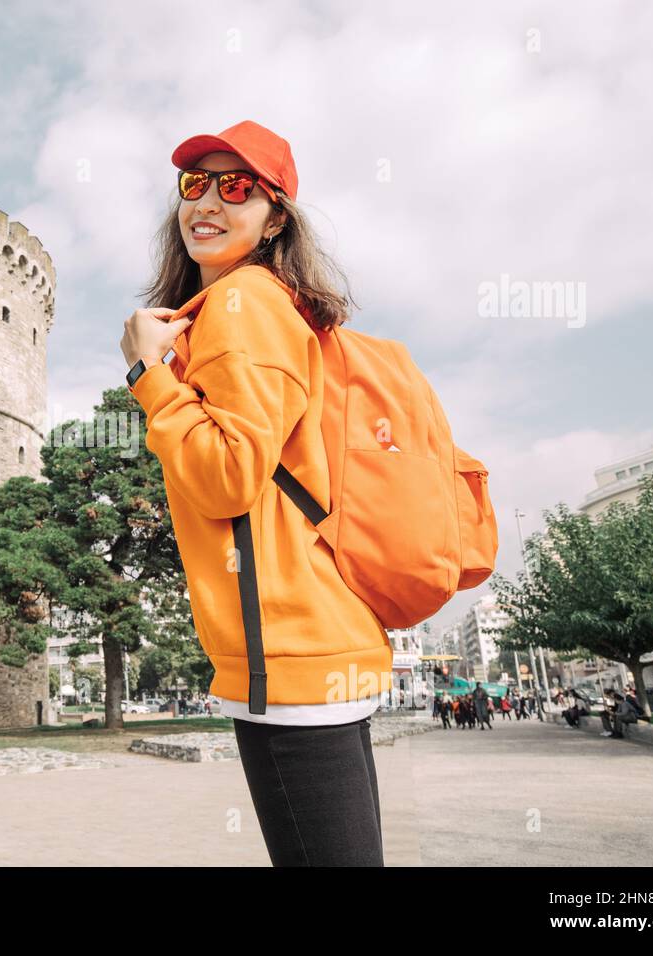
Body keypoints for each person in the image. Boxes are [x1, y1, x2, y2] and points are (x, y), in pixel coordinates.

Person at [121, 120, 385, 866]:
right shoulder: (245, 307)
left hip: (290, 653)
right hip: (309, 643)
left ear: (275, 218)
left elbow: (227, 476)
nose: (208, 199)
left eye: (236, 186)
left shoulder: (242, 303)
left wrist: (149, 376)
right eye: (194, 183)